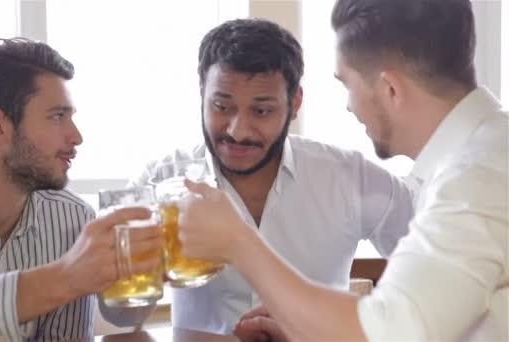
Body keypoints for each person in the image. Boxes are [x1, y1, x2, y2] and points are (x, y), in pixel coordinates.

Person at [178, 0, 508, 340]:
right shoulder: (487, 155)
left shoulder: (474, 180)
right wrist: (310, 328)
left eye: (347, 84)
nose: (349, 106)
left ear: (390, 89)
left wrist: (238, 242)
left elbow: (392, 331)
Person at [130, 18, 414, 335]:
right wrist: (142, 271)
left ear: (294, 104)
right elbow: (120, 319)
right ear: (202, 93)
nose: (237, 131)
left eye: (261, 111)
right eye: (221, 106)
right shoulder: (158, 184)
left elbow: (434, 275)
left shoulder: (350, 177)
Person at [0, 38, 162, 341]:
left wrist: (136, 286)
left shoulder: (72, 217)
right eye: (56, 116)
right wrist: (64, 277)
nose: (76, 136)